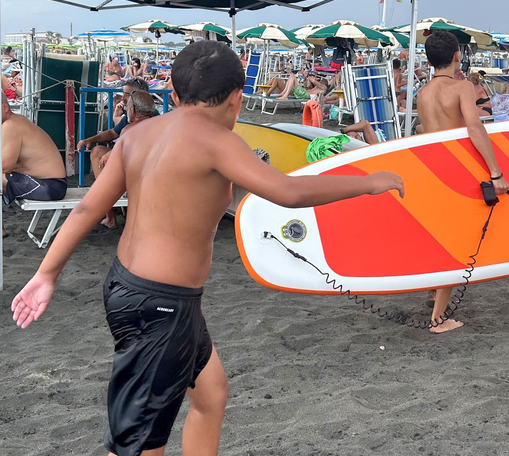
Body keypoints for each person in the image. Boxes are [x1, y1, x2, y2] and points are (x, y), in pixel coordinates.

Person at [11, 40, 403, 456]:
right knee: (138, 445)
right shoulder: (218, 141)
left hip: (138, 290)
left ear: (175, 96)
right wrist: (368, 181)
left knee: (211, 394)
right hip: (160, 306)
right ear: (237, 99)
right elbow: (287, 191)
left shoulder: (137, 135)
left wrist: (46, 273)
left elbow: (89, 206)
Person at [416, 31, 509, 333]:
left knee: (437, 234)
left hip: (432, 168)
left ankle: (433, 292)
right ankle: (438, 319)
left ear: (429, 60)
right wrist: (496, 172)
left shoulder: (423, 92)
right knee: (455, 241)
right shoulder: (462, 88)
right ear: (457, 55)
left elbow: (422, 130)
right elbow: (474, 128)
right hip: (457, 170)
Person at [2, 94, 67, 237]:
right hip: (50, 183)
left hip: (50, 186)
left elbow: (5, 167)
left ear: (4, 107)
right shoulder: (17, 121)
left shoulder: (11, 125)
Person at [93, 91, 158, 228]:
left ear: (133, 109)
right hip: (152, 177)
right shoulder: (159, 124)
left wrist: (110, 154)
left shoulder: (129, 129)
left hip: (132, 180)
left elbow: (123, 154)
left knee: (99, 157)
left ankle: (109, 214)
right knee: (99, 152)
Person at [77, 79, 151, 193]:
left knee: (106, 157)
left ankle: (104, 198)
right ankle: (105, 203)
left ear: (139, 96)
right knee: (97, 151)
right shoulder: (131, 114)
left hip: (142, 164)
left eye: (127, 94)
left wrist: (113, 153)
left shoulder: (150, 116)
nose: (123, 98)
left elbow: (141, 145)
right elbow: (113, 133)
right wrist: (90, 140)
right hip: (128, 158)